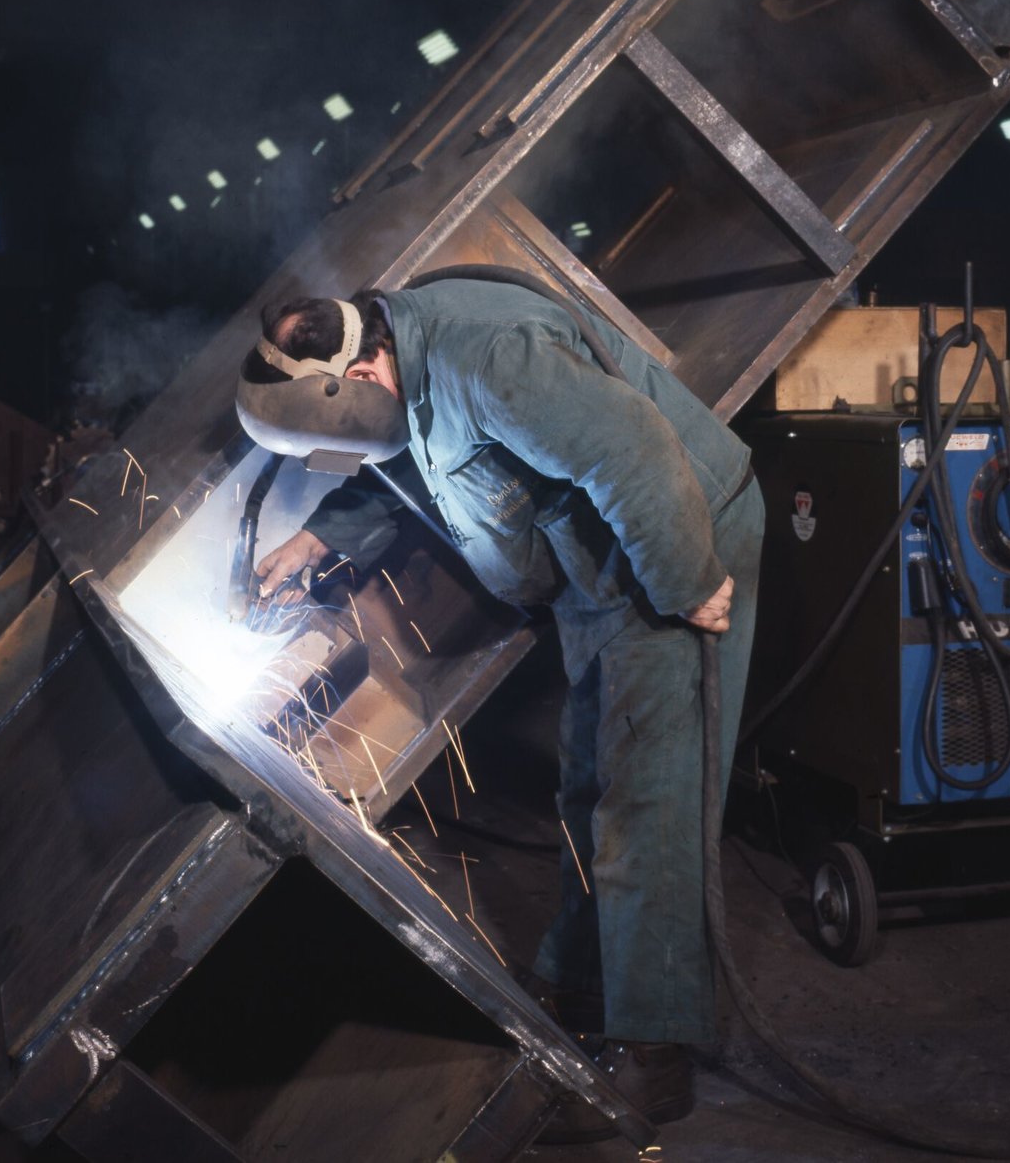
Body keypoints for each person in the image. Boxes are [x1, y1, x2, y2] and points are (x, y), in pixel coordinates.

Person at [247, 277, 764, 1141]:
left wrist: (689, 584)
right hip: (597, 570)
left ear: (359, 373)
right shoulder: (394, 374)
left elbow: (630, 449)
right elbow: (397, 467)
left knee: (647, 795)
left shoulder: (482, 357)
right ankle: (578, 985)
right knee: (586, 784)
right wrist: (316, 537)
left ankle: (654, 1052)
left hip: (672, 538)